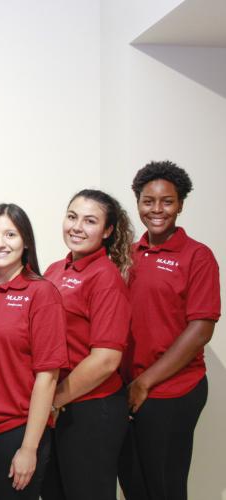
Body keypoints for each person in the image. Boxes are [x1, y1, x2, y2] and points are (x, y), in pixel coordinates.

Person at [118, 161, 220, 500]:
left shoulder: (197, 256)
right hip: (129, 387)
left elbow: (201, 329)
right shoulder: (129, 254)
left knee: (164, 486)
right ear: (138, 203)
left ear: (180, 204)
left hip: (171, 390)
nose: (157, 209)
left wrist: (145, 382)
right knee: (133, 483)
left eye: (167, 201)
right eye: (148, 201)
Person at [0, 203, 68, 500]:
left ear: (26, 241)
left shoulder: (41, 293)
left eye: (10, 234)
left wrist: (29, 448)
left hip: (15, 433)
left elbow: (48, 377)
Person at [40, 189, 133, 500]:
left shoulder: (105, 277)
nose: (77, 227)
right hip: (58, 407)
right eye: (72, 216)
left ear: (107, 231)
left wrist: (52, 401)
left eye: (90, 221)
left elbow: (106, 359)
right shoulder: (56, 269)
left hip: (91, 409)